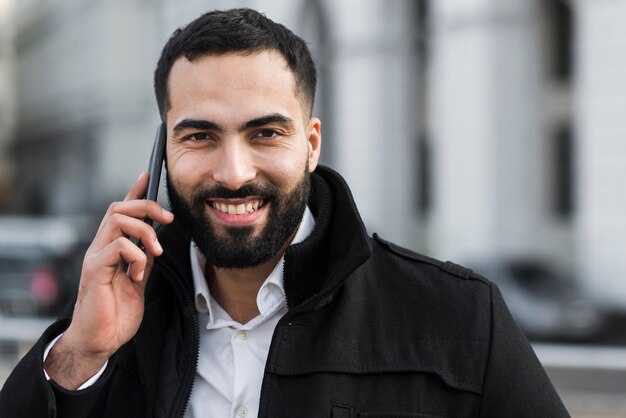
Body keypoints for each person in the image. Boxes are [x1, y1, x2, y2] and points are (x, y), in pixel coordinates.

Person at [0, 8, 569, 418]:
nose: (234, 173)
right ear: (163, 153)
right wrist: (80, 354)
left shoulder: (461, 319)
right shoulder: (109, 332)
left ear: (312, 144)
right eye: (199, 136)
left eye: (266, 132)